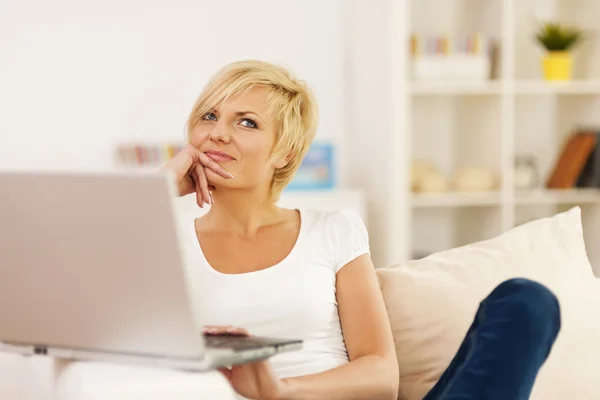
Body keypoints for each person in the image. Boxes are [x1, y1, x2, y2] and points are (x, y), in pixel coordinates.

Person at [161, 60, 561, 400]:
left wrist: (279, 391)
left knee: (526, 302)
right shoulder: (163, 241)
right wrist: (157, 192)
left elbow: (382, 376)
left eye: (247, 122)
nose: (218, 133)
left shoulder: (334, 229)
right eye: (209, 116)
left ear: (283, 152)